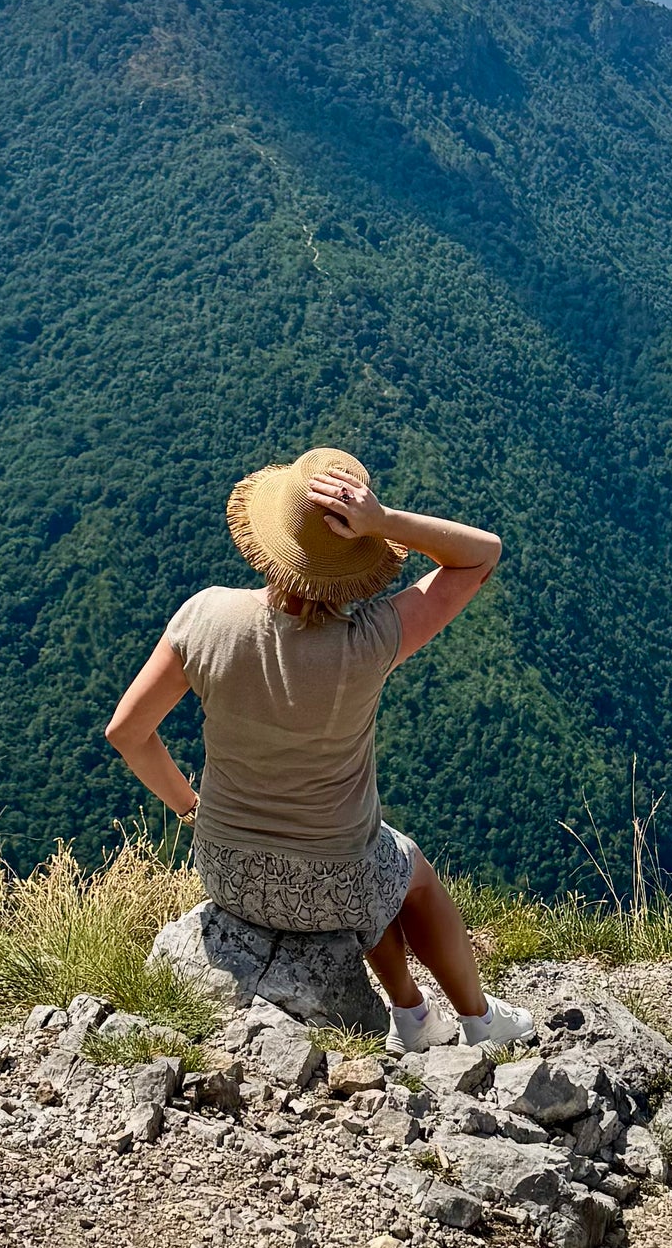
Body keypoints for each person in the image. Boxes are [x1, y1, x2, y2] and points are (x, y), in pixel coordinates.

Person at [104, 445, 535, 1052]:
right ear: (355, 561)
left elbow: (126, 732)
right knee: (401, 866)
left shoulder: (204, 618)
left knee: (373, 852)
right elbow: (480, 555)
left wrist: (188, 807)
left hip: (228, 874)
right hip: (339, 884)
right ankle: (478, 1021)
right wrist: (384, 522)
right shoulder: (373, 639)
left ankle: (413, 1014)